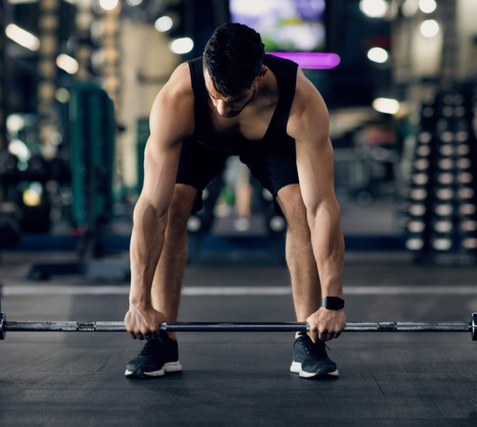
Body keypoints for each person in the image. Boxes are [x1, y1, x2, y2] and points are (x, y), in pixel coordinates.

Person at [124, 23, 345, 379]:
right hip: (199, 140)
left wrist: (332, 303)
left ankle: (310, 338)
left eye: (235, 97)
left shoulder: (299, 101)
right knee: (175, 205)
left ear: (259, 75)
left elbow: (323, 207)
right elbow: (152, 208)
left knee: (301, 208)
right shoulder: (178, 96)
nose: (223, 107)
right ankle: (162, 340)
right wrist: (138, 302)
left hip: (272, 142)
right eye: (215, 94)